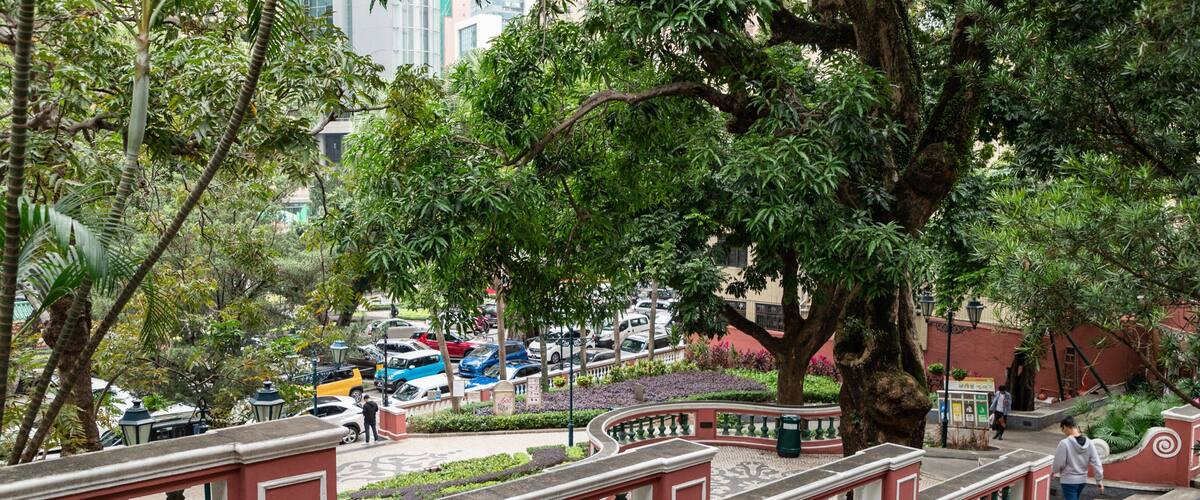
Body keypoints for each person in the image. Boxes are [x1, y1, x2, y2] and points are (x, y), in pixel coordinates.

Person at [1053, 416, 1103, 500]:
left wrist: (1054, 471)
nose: (1063, 432)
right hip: (1082, 480)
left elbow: (1059, 463)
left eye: (1062, 429)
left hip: (1068, 480)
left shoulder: (1064, 443)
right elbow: (1096, 463)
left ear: (1065, 427)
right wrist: (1099, 480)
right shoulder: (1090, 443)